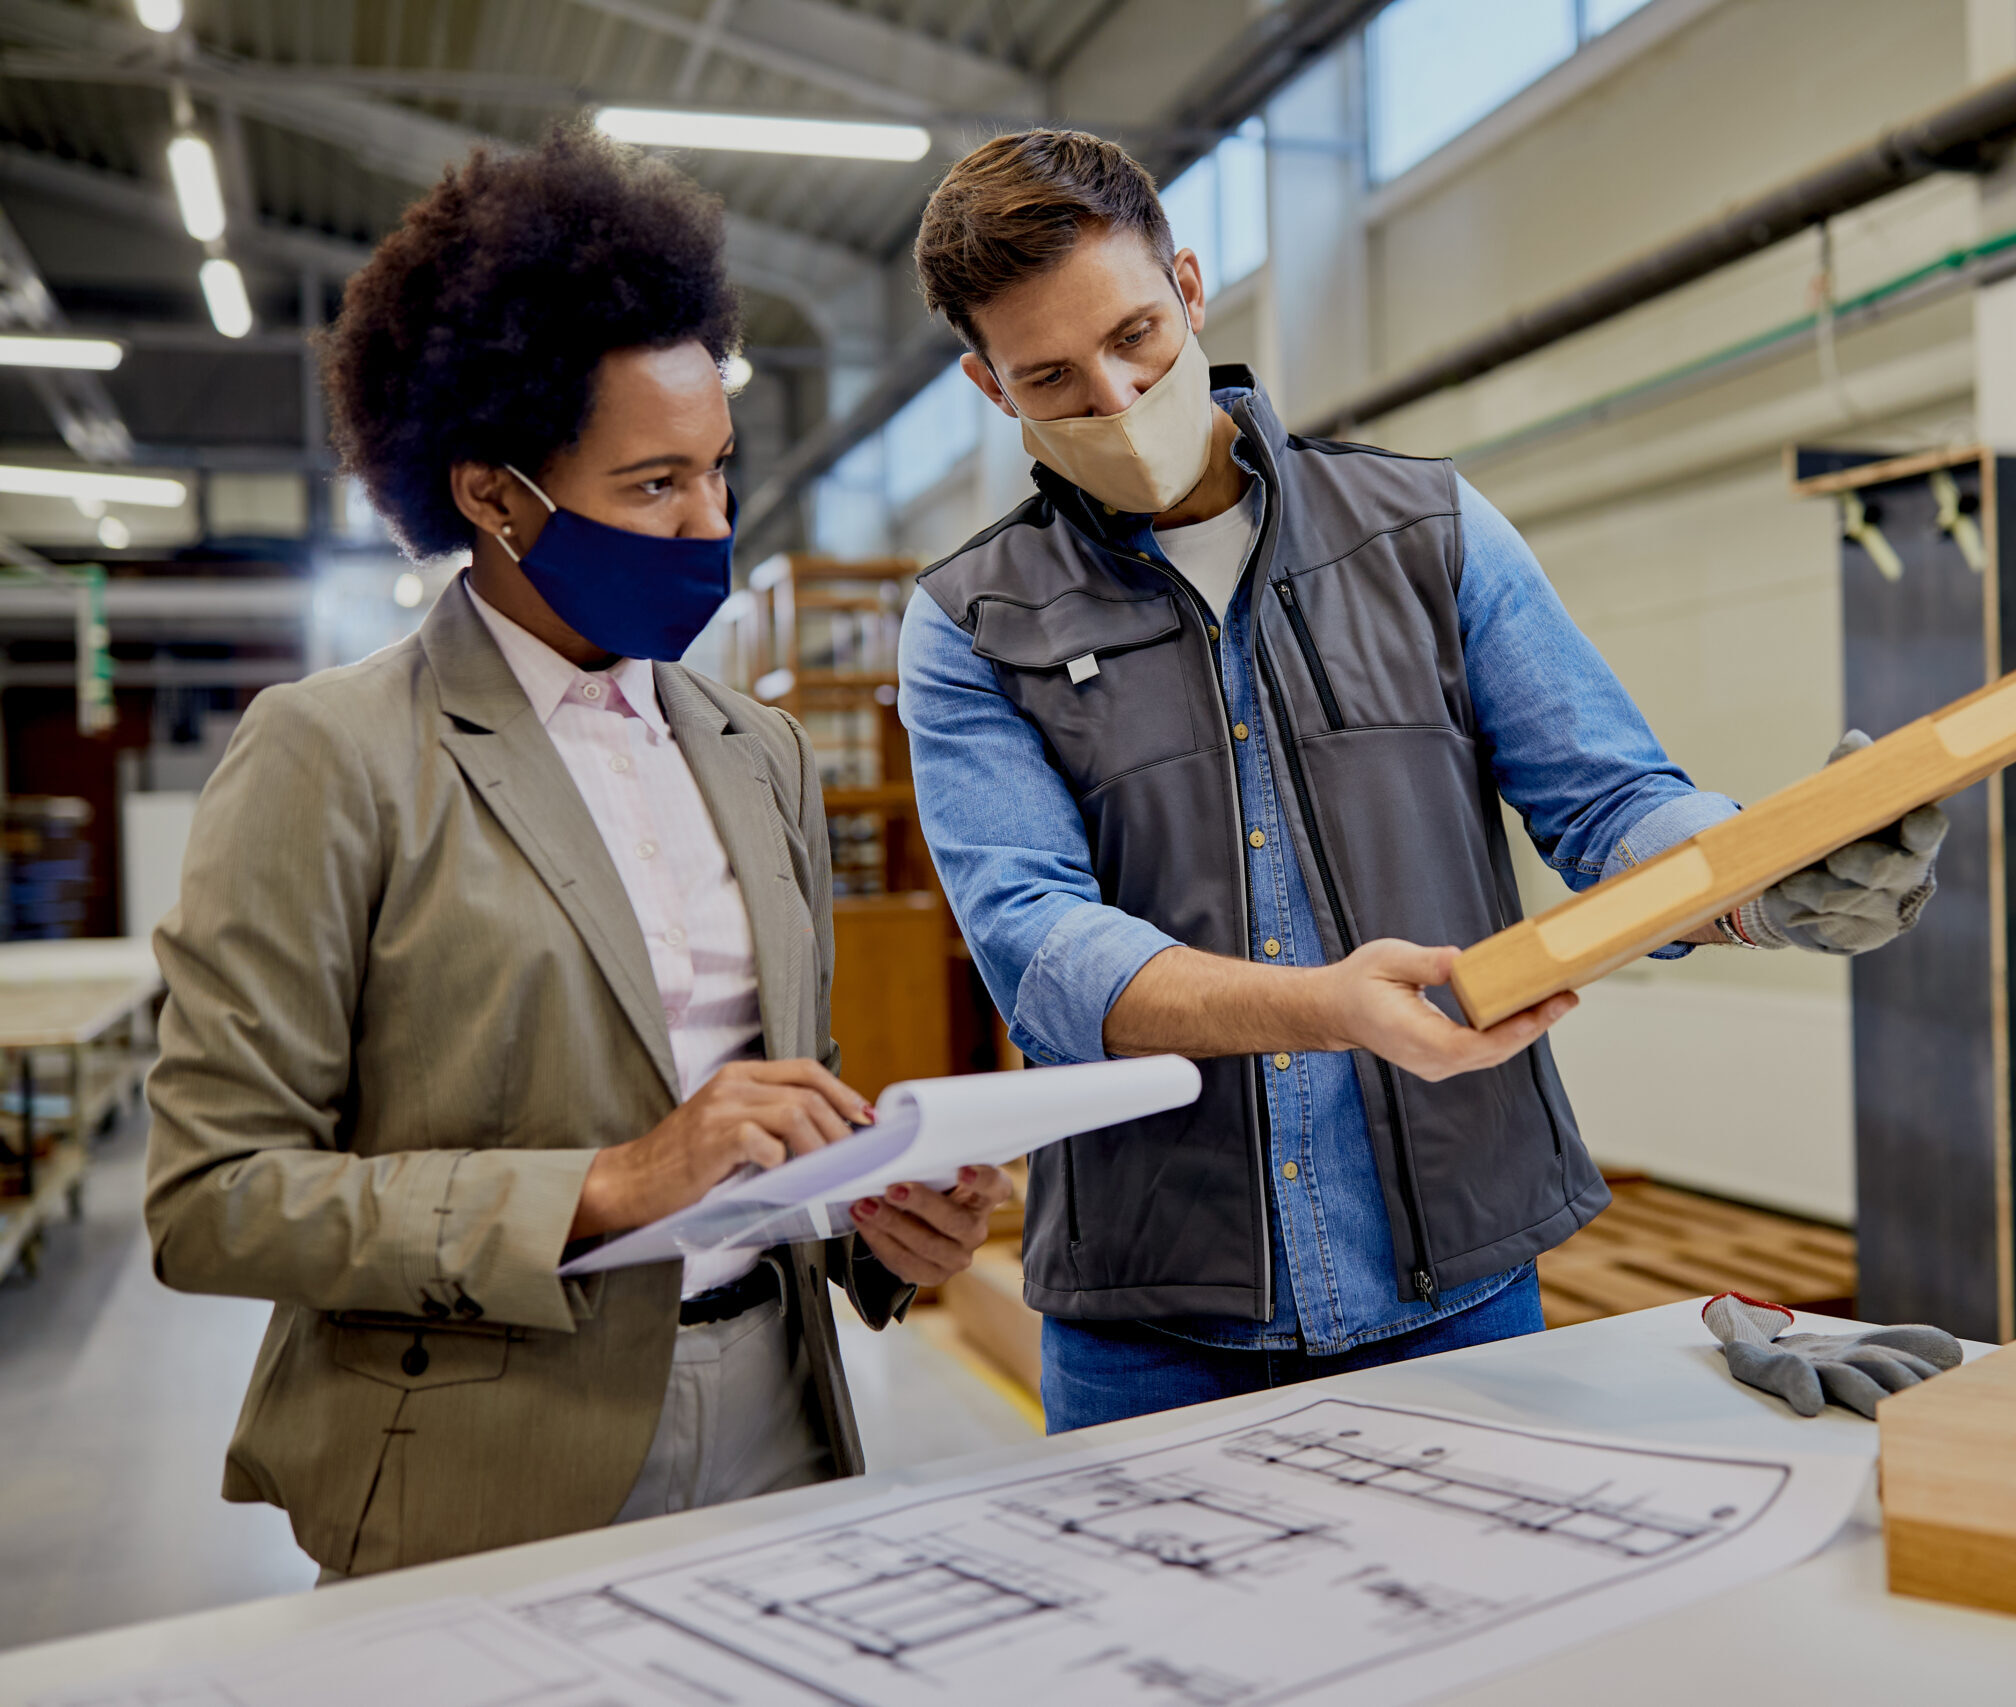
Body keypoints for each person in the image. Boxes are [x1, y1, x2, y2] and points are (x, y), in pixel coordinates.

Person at [896, 130, 1942, 1434]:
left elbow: (1612, 802)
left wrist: (1756, 883)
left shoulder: (1428, 533)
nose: (1112, 396)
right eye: (1050, 376)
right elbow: (1038, 949)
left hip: (1455, 1285)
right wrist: (1321, 1006)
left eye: (1138, 336)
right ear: (988, 387)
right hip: (1150, 1319)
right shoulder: (970, 622)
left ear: (1193, 286)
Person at [144, 124, 1010, 1578]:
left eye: (720, 472)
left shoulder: (760, 752)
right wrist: (606, 1186)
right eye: (653, 486)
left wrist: (878, 1216)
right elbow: (212, 1197)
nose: (712, 526)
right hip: (487, 1455)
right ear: (491, 492)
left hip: (782, 1428)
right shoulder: (336, 755)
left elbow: (769, 1104)